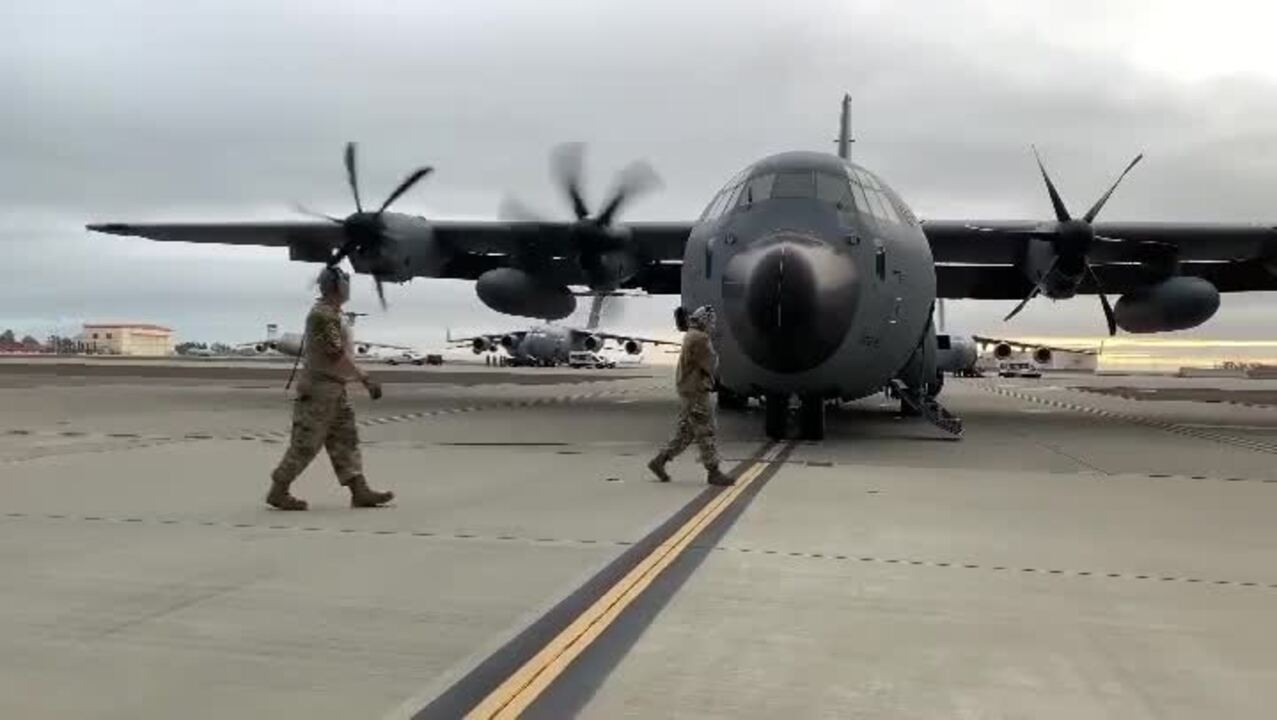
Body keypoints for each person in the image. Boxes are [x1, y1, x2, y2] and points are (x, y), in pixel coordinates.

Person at [266, 266, 395, 510]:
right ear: (338, 287)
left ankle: (359, 491)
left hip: (335, 388)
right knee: (306, 444)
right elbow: (335, 354)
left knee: (345, 440)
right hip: (319, 390)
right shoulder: (323, 316)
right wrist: (365, 378)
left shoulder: (334, 314)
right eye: (346, 283)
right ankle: (278, 489)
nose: (348, 288)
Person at [648, 305, 733, 486]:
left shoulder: (691, 335)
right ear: (705, 321)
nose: (712, 325)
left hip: (688, 390)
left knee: (686, 433)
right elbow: (710, 365)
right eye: (711, 322)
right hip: (696, 391)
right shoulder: (700, 338)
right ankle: (713, 471)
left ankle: (660, 461)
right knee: (705, 430)